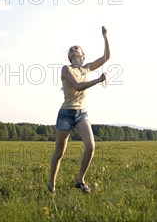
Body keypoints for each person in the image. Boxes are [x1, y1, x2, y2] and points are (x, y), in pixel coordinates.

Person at [48, 26, 110, 194]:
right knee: (59, 152)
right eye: (71, 49)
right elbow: (77, 85)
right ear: (70, 56)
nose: (74, 48)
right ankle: (51, 184)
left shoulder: (87, 68)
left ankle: (80, 179)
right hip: (66, 114)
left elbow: (106, 57)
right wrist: (98, 80)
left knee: (90, 146)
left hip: (82, 113)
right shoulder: (66, 69)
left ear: (82, 55)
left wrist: (105, 37)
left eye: (77, 48)